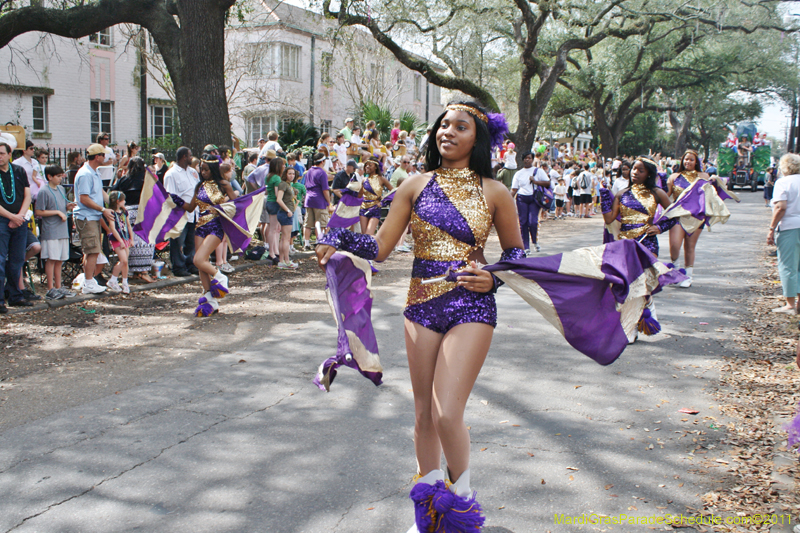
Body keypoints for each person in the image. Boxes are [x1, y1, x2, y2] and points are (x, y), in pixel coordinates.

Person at [316, 101, 525, 533]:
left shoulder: (495, 191)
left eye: (460, 126)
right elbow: (381, 249)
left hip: (471, 305)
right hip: (420, 305)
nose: (447, 132)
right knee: (423, 416)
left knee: (447, 412)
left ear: (477, 138)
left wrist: (495, 279)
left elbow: (516, 253)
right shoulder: (414, 185)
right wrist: (335, 238)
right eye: (443, 125)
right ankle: (428, 515)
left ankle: (462, 505)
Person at [171, 155, 236, 316]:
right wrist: (176, 200)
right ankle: (210, 300)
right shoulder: (199, 186)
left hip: (216, 226)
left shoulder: (224, 184)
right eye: (202, 169)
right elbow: (190, 207)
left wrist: (222, 208)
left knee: (197, 260)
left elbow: (237, 205)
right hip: (200, 226)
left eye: (206, 169)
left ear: (213, 169)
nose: (203, 172)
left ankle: (220, 278)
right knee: (201, 265)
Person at [665, 149, 737, 288]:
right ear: (682, 161)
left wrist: (716, 182)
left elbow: (710, 195)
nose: (688, 162)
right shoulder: (674, 177)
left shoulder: (703, 176)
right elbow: (665, 194)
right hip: (677, 216)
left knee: (689, 246)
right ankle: (676, 271)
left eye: (691, 159)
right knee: (674, 245)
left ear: (696, 162)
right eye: (686, 159)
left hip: (696, 216)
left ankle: (688, 276)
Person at [601, 156, 674, 257]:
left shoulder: (657, 193)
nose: (635, 172)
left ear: (649, 174)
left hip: (647, 241)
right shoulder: (621, 194)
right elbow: (609, 219)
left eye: (641, 170)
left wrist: (660, 227)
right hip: (625, 243)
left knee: (647, 272)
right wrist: (604, 194)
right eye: (634, 169)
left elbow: (675, 214)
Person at [73, 144, 115, 295]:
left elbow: (101, 192)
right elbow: (84, 199)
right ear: (97, 157)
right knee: (92, 250)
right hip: (86, 217)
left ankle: (89, 280)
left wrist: (113, 202)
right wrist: (103, 209)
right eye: (104, 155)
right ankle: (89, 282)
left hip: (93, 216)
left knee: (93, 251)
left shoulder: (94, 172)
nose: (106, 158)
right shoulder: (85, 174)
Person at [34, 164, 75, 300]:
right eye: (57, 176)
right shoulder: (44, 191)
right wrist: (57, 212)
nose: (60, 179)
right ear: (49, 177)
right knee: (51, 259)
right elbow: (39, 211)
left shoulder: (62, 189)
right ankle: (50, 288)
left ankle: (59, 286)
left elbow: (61, 206)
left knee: (60, 260)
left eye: (61, 176)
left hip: (62, 229)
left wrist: (67, 207)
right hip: (51, 230)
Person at [0, 142, 32, 312]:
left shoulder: (18, 171)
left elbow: (27, 194)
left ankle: (15, 295)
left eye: (1, 153)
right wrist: (11, 217)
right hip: (2, 221)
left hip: (19, 220)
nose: (0, 157)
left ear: (9, 154)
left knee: (17, 260)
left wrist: (19, 216)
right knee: (0, 260)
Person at [113, 156, 155, 283]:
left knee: (130, 242)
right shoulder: (147, 180)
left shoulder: (123, 180)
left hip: (127, 213)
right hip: (143, 212)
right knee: (145, 242)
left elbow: (114, 194)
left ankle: (133, 271)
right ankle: (143, 271)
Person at [767, 154, 800, 314]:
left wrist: (772, 228)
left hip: (789, 227)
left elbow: (781, 206)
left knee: (787, 266)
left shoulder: (783, 182)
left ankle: (790, 303)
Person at [164, 147, 199, 277]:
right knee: (178, 240)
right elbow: (170, 195)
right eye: (190, 155)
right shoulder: (171, 174)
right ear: (184, 156)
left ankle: (190, 263)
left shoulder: (193, 172)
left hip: (193, 211)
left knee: (191, 240)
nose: (191, 158)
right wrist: (186, 205)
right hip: (180, 213)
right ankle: (178, 266)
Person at [510, 151, 549, 255]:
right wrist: (508, 201)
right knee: (523, 223)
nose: (527, 160)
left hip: (534, 198)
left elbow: (547, 182)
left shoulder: (538, 171)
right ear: (523, 160)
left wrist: (535, 181)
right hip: (522, 198)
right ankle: (526, 246)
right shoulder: (518, 173)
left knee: (532, 222)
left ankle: (535, 241)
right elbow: (514, 189)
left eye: (529, 158)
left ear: (532, 159)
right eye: (525, 158)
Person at [302, 152, 334, 250]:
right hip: (319, 200)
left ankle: (306, 243)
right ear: (323, 161)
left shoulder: (309, 171)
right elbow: (325, 189)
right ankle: (318, 242)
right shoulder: (322, 172)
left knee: (307, 223)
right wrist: (329, 202)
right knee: (321, 223)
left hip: (309, 199)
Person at [104, 191, 133, 294]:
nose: (125, 202)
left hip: (125, 237)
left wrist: (131, 238)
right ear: (118, 201)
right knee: (123, 260)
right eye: (123, 200)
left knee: (125, 262)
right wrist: (120, 241)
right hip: (117, 239)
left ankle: (125, 282)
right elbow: (113, 228)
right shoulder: (111, 213)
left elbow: (128, 225)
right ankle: (113, 279)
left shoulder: (124, 212)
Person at [359, 157, 393, 236]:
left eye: (370, 165)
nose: (367, 167)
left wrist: (383, 202)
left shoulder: (381, 179)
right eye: (366, 165)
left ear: (375, 167)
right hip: (363, 208)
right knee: (364, 235)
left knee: (369, 234)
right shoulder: (364, 180)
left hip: (375, 208)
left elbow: (393, 192)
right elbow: (359, 195)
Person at [275, 166, 299, 269]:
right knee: (286, 238)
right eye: (289, 173)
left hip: (287, 212)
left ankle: (281, 261)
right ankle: (287, 261)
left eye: (293, 174)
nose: (291, 176)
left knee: (283, 238)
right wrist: (288, 210)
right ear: (285, 174)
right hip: (285, 213)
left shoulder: (288, 185)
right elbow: (279, 199)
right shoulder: (283, 184)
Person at [264, 157, 286, 266]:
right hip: (275, 204)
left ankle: (275, 251)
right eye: (282, 165)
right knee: (273, 229)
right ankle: (272, 253)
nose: (284, 166)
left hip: (269, 202)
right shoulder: (277, 178)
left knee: (276, 229)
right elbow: (278, 195)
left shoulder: (269, 177)